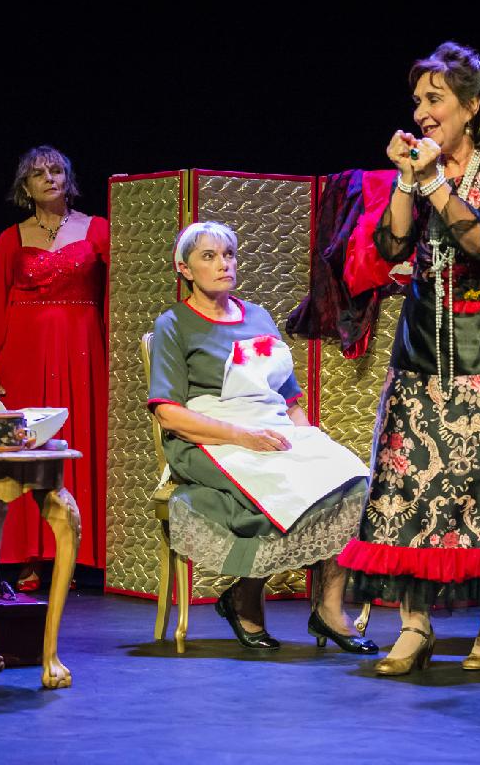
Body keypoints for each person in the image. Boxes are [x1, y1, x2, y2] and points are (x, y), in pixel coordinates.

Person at [337, 43, 480, 674]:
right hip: (423, 349)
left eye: (434, 99)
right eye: (417, 101)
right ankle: (415, 626)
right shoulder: (421, 170)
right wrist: (406, 181)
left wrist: (434, 181)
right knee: (411, 486)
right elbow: (391, 246)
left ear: (471, 106)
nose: (421, 112)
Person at [149, 221, 377, 653]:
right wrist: (242, 436)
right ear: (185, 269)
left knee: (351, 479)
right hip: (208, 438)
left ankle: (329, 607)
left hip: (269, 428)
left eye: (229, 255)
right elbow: (168, 412)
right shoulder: (174, 324)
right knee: (278, 486)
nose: (223, 264)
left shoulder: (258, 316)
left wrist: (311, 445)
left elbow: (289, 399)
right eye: (209, 257)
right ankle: (245, 596)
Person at [0, 145, 108, 589]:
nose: (49, 178)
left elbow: (125, 292)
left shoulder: (97, 229)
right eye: (39, 173)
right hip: (24, 354)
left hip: (82, 351)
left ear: (68, 180)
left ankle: (75, 550)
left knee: (78, 444)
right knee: (30, 447)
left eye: (56, 171)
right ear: (26, 187)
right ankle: (30, 556)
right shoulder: (10, 238)